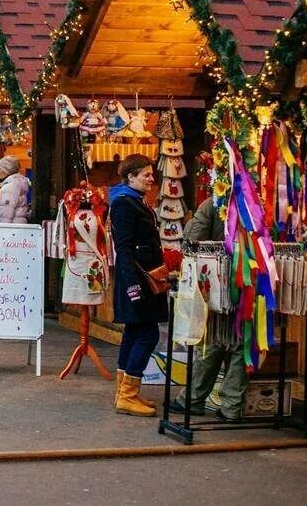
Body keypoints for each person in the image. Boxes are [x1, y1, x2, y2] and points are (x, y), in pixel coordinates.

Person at [169, 195, 245, 422]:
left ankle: (192, 399)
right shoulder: (258, 204)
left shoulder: (215, 202)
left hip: (219, 281)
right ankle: (232, 407)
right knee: (242, 343)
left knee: (213, 341)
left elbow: (193, 239)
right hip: (253, 285)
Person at [110, 153, 168, 417]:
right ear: (130, 176)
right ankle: (128, 395)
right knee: (148, 334)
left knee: (134, 332)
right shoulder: (124, 204)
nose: (151, 178)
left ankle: (124, 391)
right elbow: (122, 248)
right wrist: (132, 286)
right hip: (138, 279)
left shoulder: (135, 202)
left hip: (142, 276)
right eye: (145, 174)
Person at [0, 156, 31, 224]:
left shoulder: (9, 188)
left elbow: (5, 214)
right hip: (17, 226)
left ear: (6, 170)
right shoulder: (17, 183)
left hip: (9, 229)